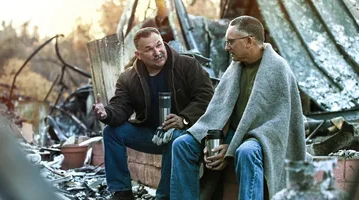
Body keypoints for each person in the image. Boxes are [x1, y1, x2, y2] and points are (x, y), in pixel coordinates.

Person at [170, 16, 306, 200]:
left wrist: (231, 147)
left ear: (249, 41)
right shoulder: (235, 66)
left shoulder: (278, 69)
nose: (226, 47)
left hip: (259, 135)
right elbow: (222, 108)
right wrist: (213, 139)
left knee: (246, 151)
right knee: (182, 144)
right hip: (233, 132)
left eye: (230, 42)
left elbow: (277, 126)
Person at [92, 27, 213, 200]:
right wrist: (106, 114)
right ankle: (122, 192)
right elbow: (120, 106)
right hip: (152, 134)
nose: (157, 52)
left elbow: (206, 97)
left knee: (176, 138)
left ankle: (163, 196)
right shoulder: (128, 78)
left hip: (184, 133)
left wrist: (184, 119)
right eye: (149, 49)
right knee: (111, 132)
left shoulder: (187, 65)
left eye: (159, 45)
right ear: (138, 54)